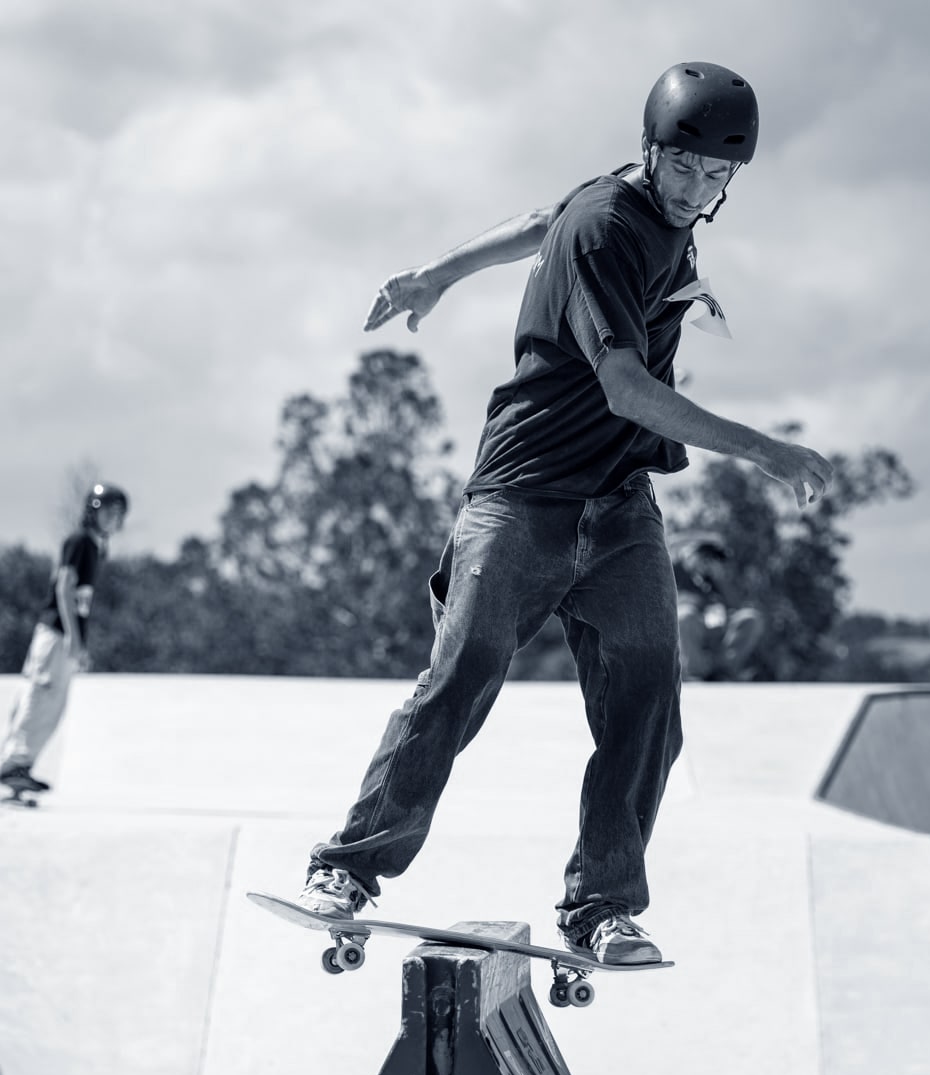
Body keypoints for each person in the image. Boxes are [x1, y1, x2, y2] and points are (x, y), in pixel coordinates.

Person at [295, 62, 833, 964]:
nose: (695, 190)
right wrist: (764, 450)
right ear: (650, 150)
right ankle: (348, 866)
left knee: (648, 702)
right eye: (683, 167)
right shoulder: (604, 228)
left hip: (620, 507)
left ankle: (601, 906)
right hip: (524, 496)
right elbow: (625, 386)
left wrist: (439, 272)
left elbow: (540, 218)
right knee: (461, 678)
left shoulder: (637, 209)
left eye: (716, 176)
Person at [0, 482, 128, 793]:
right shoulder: (79, 542)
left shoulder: (93, 547)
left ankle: (21, 767)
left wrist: (80, 642)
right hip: (56, 632)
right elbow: (64, 586)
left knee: (54, 704)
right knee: (41, 697)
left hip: (62, 634)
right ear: (93, 512)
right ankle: (12, 763)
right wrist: (73, 638)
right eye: (109, 512)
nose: (113, 519)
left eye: (118, 514)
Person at [668, 529, 765, 681]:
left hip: (720, 628)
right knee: (685, 615)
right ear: (690, 555)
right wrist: (703, 540)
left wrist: (720, 580)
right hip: (692, 627)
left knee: (751, 618)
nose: (708, 563)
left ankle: (722, 671)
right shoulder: (676, 570)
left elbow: (737, 605)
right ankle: (697, 673)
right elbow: (670, 542)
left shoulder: (720, 576)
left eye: (712, 559)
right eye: (704, 557)